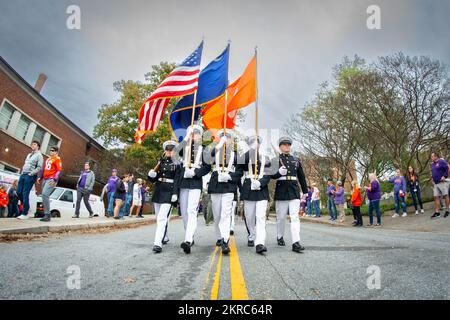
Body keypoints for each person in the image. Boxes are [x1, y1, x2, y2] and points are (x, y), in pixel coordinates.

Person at [175, 125, 211, 254]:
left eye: (196, 134)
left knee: (191, 210)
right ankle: (189, 235)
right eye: (192, 133)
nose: (194, 135)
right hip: (184, 182)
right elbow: (176, 152)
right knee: (184, 212)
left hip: (195, 182)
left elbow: (207, 167)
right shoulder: (185, 147)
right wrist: (185, 137)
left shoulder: (204, 149)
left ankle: (188, 240)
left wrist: (196, 172)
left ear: (200, 136)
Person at [207, 130, 243, 255]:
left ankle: (225, 240)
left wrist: (229, 176)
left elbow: (240, 172)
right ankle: (219, 236)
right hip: (216, 183)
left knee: (225, 214)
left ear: (230, 140)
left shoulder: (236, 155)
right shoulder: (216, 151)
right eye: (222, 137)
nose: (225, 139)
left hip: (228, 184)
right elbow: (208, 158)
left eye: (227, 137)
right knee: (217, 214)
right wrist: (218, 145)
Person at [272, 136, 308, 253]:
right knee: (281, 217)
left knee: (295, 217)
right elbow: (271, 175)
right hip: (281, 189)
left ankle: (295, 242)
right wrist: (278, 173)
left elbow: (301, 177)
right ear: (280, 147)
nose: (287, 146)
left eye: (288, 145)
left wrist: (305, 191)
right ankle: (280, 236)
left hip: (293, 189)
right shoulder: (275, 159)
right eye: (284, 144)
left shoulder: (296, 160)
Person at [238, 135, 272, 254]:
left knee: (261, 217)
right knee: (249, 216)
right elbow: (240, 163)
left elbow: (268, 174)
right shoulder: (246, 157)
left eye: (256, 142)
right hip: (248, 189)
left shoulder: (265, 158)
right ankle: (251, 235)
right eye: (252, 142)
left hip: (261, 189)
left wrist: (260, 183)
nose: (255, 143)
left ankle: (260, 242)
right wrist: (252, 150)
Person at [147, 140, 181, 253]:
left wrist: (176, 194)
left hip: (169, 193)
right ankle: (165, 236)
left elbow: (177, 180)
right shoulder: (160, 162)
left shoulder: (177, 164)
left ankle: (157, 243)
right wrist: (151, 175)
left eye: (172, 150)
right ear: (165, 151)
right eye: (168, 150)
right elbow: (153, 179)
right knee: (159, 218)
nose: (169, 152)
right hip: (159, 190)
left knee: (162, 218)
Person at [17, 141, 43, 220]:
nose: (32, 145)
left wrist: (31, 174)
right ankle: (27, 207)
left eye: (34, 144)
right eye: (32, 144)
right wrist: (22, 173)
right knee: (18, 191)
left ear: (38, 146)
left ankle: (25, 213)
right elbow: (25, 164)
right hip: (23, 174)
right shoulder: (29, 155)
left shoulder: (39, 155)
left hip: (30, 176)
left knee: (25, 193)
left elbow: (39, 167)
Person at [37, 146, 62, 222]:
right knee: (43, 196)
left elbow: (59, 171)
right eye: (50, 150)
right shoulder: (48, 159)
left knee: (45, 194)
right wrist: (40, 177)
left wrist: (54, 179)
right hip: (45, 179)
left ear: (56, 152)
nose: (51, 152)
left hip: (51, 179)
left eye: (53, 150)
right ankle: (45, 214)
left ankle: (47, 215)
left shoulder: (57, 160)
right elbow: (43, 169)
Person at [430, 152, 449, 219]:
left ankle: (447, 210)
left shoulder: (441, 161)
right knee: (436, 197)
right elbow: (433, 172)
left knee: (445, 195)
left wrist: (444, 176)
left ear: (436, 156)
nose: (431, 158)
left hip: (442, 182)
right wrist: (432, 179)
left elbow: (447, 168)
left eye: (432, 156)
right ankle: (437, 212)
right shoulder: (433, 164)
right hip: (436, 183)